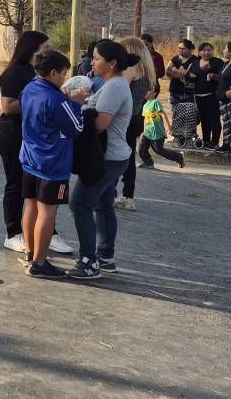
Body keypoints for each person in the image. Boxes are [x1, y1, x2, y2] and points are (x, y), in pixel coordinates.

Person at [0, 31, 76, 255]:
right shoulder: (16, 73)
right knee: (16, 186)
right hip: (12, 134)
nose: (48, 51)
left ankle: (48, 235)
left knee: (37, 194)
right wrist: (39, 103)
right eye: (44, 47)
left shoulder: (39, 74)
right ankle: (13, 234)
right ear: (31, 48)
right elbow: (7, 106)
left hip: (34, 136)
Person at [67, 40, 138, 280]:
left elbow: (100, 125)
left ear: (112, 63)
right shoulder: (112, 84)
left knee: (80, 203)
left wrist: (78, 108)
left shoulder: (115, 87)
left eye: (97, 58)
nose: (92, 62)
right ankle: (105, 256)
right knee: (103, 204)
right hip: (114, 156)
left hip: (107, 159)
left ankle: (89, 262)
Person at [19, 50, 85, 279]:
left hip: (29, 158)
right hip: (52, 163)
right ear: (54, 72)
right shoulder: (56, 99)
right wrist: (76, 103)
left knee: (30, 205)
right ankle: (39, 262)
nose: (65, 79)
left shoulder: (29, 89)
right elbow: (76, 129)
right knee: (48, 212)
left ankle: (29, 252)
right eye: (64, 74)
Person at [116, 36, 155, 212]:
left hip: (124, 118)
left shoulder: (131, 69)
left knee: (115, 157)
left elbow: (118, 91)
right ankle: (127, 195)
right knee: (128, 158)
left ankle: (112, 193)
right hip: (135, 117)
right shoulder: (146, 71)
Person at [188, 42, 224, 150]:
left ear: (213, 51)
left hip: (212, 95)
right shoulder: (195, 63)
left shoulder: (218, 62)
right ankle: (206, 140)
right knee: (204, 119)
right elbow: (191, 77)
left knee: (214, 118)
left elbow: (223, 77)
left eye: (209, 50)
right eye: (204, 50)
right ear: (199, 52)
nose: (207, 52)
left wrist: (213, 75)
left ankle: (215, 142)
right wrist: (190, 76)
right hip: (199, 95)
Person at [139, 92, 185, 169]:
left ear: (154, 93)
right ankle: (148, 163)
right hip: (147, 132)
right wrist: (143, 131)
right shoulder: (145, 105)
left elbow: (163, 114)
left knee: (159, 150)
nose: (145, 92)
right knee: (140, 149)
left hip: (157, 132)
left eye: (148, 91)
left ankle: (179, 157)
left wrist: (169, 129)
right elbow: (145, 119)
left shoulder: (155, 102)